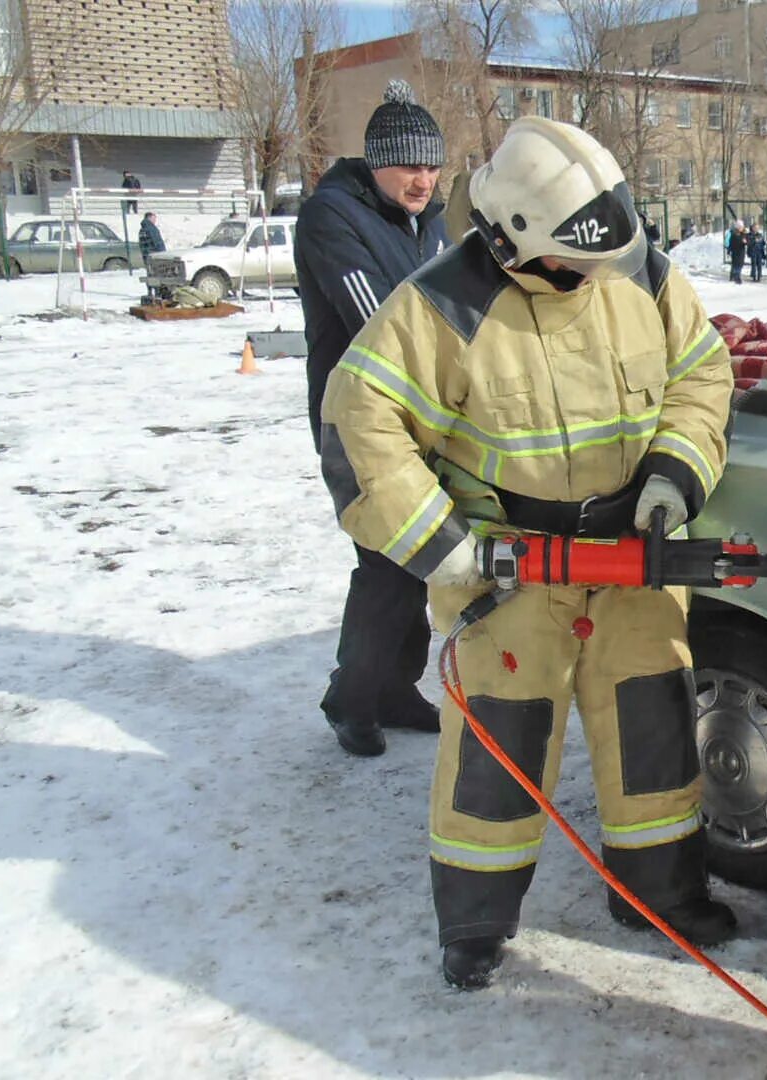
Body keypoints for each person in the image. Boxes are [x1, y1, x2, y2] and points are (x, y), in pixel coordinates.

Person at [319, 116, 736, 990]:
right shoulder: (441, 306)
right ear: (510, 238)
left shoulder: (642, 273)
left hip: (633, 557)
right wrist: (443, 549)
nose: (590, 275)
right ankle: (475, 921)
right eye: (569, 262)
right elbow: (359, 429)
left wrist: (673, 478)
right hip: (509, 570)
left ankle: (660, 892)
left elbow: (702, 376)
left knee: (652, 727)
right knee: (498, 750)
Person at [296, 78, 451, 757]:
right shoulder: (331, 217)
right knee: (386, 562)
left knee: (415, 559)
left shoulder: (429, 220)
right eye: (408, 165)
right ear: (377, 162)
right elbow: (379, 323)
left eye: (430, 164)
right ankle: (350, 698)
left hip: (418, 415)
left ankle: (394, 687)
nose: (422, 179)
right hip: (355, 420)